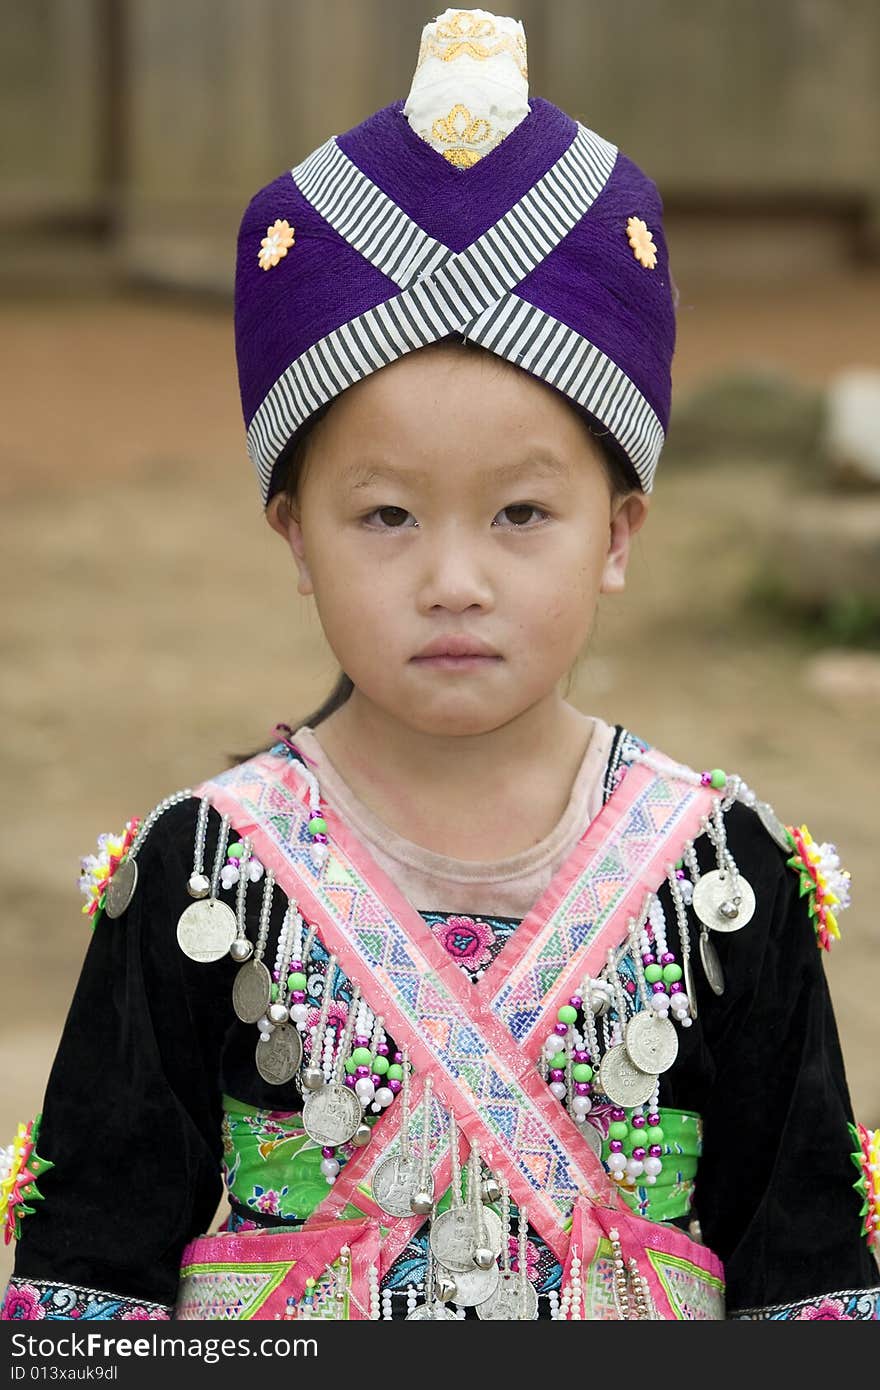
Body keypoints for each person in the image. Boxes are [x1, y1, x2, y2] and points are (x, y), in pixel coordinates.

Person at [2, 6, 877, 1323]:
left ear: (620, 532)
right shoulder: (193, 879)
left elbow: (809, 1289)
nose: (454, 577)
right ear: (295, 533)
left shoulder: (725, 884)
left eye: (521, 514)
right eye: (387, 515)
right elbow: (86, 1290)